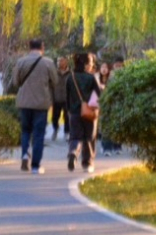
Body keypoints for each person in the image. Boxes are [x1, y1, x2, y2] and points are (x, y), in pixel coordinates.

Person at [14, 39, 58, 174]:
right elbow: (55, 82)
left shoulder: (21, 62)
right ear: (42, 47)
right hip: (41, 103)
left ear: (29, 47)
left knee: (26, 131)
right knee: (38, 135)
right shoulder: (48, 63)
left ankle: (25, 154)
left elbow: (16, 82)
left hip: (24, 102)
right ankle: (35, 166)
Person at [66, 52, 103, 173]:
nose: (92, 66)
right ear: (86, 64)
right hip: (89, 112)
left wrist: (69, 110)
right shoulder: (91, 78)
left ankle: (73, 153)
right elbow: (99, 94)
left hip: (75, 112)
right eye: (91, 63)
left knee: (75, 136)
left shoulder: (70, 77)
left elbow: (67, 96)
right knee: (89, 137)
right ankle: (87, 163)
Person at [51, 56, 70, 141]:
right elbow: (50, 86)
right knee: (55, 116)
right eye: (58, 61)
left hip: (67, 98)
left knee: (67, 116)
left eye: (62, 60)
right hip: (56, 97)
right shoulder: (54, 72)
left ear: (66, 62)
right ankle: (55, 128)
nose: (60, 62)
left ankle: (66, 132)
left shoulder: (70, 73)